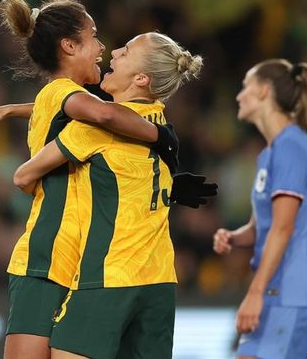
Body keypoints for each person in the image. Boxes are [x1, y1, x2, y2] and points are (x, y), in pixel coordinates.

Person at [0, 0, 187, 359]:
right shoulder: (86, 111)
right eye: (94, 36)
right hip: (49, 254)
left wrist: (9, 109)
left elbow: (89, 111)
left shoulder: (76, 106)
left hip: (84, 259)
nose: (104, 48)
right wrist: (163, 137)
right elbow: (105, 115)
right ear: (68, 45)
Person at [13, 32, 216, 359]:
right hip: (161, 282)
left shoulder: (93, 128)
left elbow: (23, 175)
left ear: (140, 78)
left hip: (107, 275)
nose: (115, 51)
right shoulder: (163, 126)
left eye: (126, 51)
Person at [212, 59, 307, 359]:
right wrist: (234, 237)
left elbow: (284, 227)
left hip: (291, 293)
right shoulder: (271, 153)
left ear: (264, 91)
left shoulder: (291, 147)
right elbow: (262, 228)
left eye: (245, 87)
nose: (238, 95)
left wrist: (254, 293)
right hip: (280, 293)